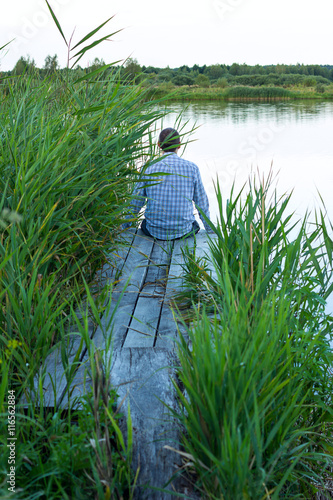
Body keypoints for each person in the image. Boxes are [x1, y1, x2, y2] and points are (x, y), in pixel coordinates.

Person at [125, 127, 211, 240]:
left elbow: (136, 202)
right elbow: (201, 203)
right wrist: (210, 230)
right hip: (183, 231)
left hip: (154, 231)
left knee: (145, 223)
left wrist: (124, 226)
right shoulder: (192, 168)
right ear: (179, 145)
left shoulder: (148, 167)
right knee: (194, 225)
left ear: (159, 145)